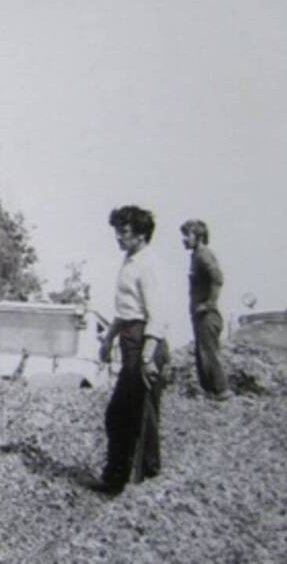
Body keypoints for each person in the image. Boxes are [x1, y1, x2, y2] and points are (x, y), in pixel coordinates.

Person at [92, 205, 168, 496]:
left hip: (144, 341)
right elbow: (124, 310)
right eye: (117, 231)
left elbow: (156, 313)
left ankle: (145, 483)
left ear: (140, 234)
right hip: (129, 337)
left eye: (123, 232)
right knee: (119, 414)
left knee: (140, 414)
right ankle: (116, 479)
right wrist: (108, 339)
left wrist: (148, 355)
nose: (118, 237)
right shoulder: (130, 261)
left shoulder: (147, 264)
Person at [180, 219, 232, 401]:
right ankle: (210, 392)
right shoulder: (195, 256)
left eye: (187, 235)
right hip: (199, 314)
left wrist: (209, 303)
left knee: (208, 352)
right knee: (202, 351)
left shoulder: (204, 255)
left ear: (198, 236)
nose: (184, 239)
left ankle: (221, 391)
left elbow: (217, 278)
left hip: (207, 315)